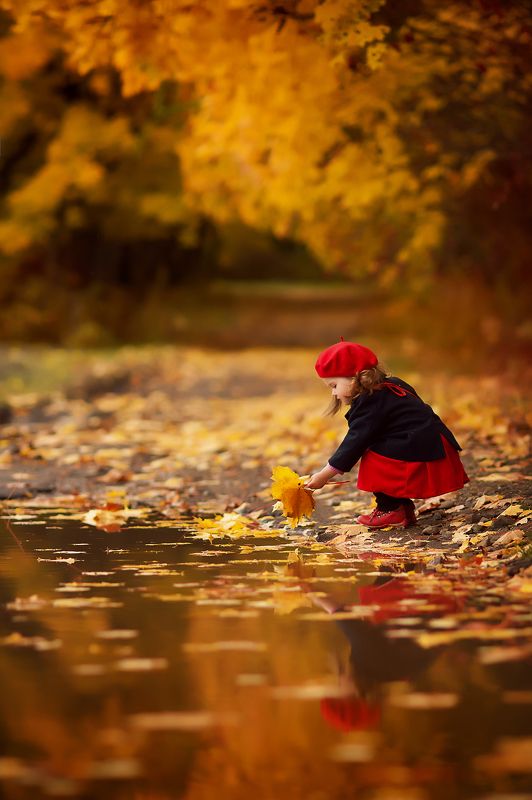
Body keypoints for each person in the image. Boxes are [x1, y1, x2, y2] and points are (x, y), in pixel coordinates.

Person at [305, 340, 469, 528]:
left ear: (354, 377)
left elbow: (355, 442)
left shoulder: (371, 401)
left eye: (334, 385)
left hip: (424, 447)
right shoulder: (391, 385)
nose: (334, 393)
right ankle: (401, 507)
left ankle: (390, 508)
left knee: (373, 456)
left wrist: (325, 474)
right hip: (432, 442)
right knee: (382, 447)